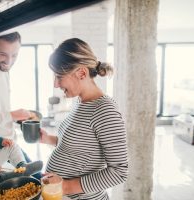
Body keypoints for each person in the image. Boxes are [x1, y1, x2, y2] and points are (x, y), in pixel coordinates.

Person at [40, 38, 128, 200]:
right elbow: (80, 146)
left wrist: (65, 186)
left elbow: (119, 171)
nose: (56, 84)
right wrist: (48, 139)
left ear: (81, 73)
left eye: (59, 76)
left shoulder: (105, 111)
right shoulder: (79, 102)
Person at [0, 32, 42, 179]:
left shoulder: (3, 70)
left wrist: (16, 118)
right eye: (3, 54)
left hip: (10, 143)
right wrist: (11, 115)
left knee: (38, 178)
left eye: (14, 55)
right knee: (34, 180)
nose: (9, 61)